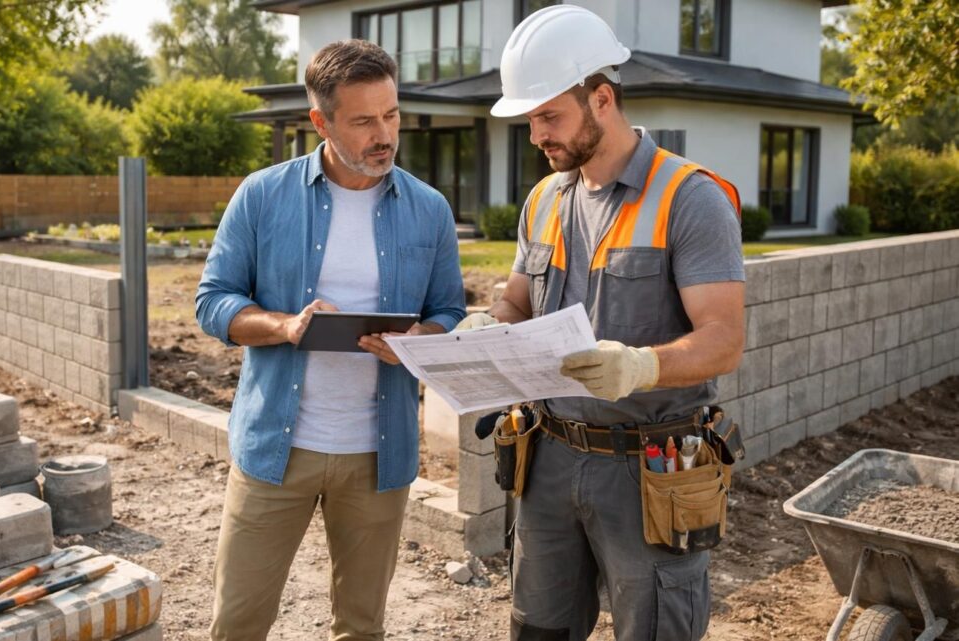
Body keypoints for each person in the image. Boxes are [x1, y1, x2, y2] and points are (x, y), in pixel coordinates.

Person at [458, 6, 745, 640]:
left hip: (649, 467)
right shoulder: (544, 198)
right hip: (549, 457)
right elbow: (517, 302)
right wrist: (489, 325)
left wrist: (642, 366)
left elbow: (724, 341)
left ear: (603, 98)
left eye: (549, 116)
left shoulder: (688, 197)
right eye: (529, 119)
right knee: (539, 630)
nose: (536, 135)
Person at [195, 39, 466, 641]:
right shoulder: (262, 196)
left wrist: (420, 339)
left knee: (362, 628)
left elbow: (449, 310)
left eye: (391, 115)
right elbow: (212, 303)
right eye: (364, 120)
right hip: (274, 450)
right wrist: (286, 327)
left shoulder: (430, 209)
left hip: (378, 454)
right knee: (238, 621)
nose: (384, 135)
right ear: (320, 121)